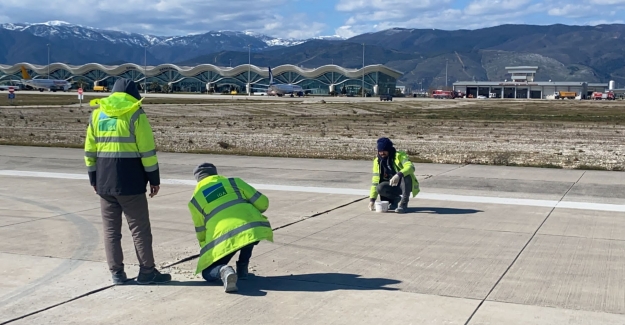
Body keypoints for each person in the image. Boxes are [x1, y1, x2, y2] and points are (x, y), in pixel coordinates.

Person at [84, 78, 171, 285]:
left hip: (104, 181)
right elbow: (147, 152)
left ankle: (116, 273)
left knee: (111, 231)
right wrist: (154, 179)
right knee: (139, 229)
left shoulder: (97, 114)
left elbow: (89, 151)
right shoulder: (136, 114)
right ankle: (147, 272)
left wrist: (93, 178)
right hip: (130, 182)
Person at [188, 163, 274, 293]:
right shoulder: (234, 182)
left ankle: (224, 270)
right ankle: (242, 269)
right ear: (215, 174)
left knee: (207, 272)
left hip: (223, 238)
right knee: (247, 231)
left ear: (198, 179)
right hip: (250, 229)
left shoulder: (195, 200)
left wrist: (205, 249)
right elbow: (263, 203)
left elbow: (201, 230)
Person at [368, 137, 420, 213]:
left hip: (404, 185)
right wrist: (372, 199)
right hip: (392, 185)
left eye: (384, 151)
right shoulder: (377, 161)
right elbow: (375, 181)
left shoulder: (399, 156)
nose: (382, 153)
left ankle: (403, 205)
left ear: (389, 150)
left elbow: (411, 167)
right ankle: (395, 199)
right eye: (380, 151)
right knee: (379, 187)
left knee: (406, 176)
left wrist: (399, 175)